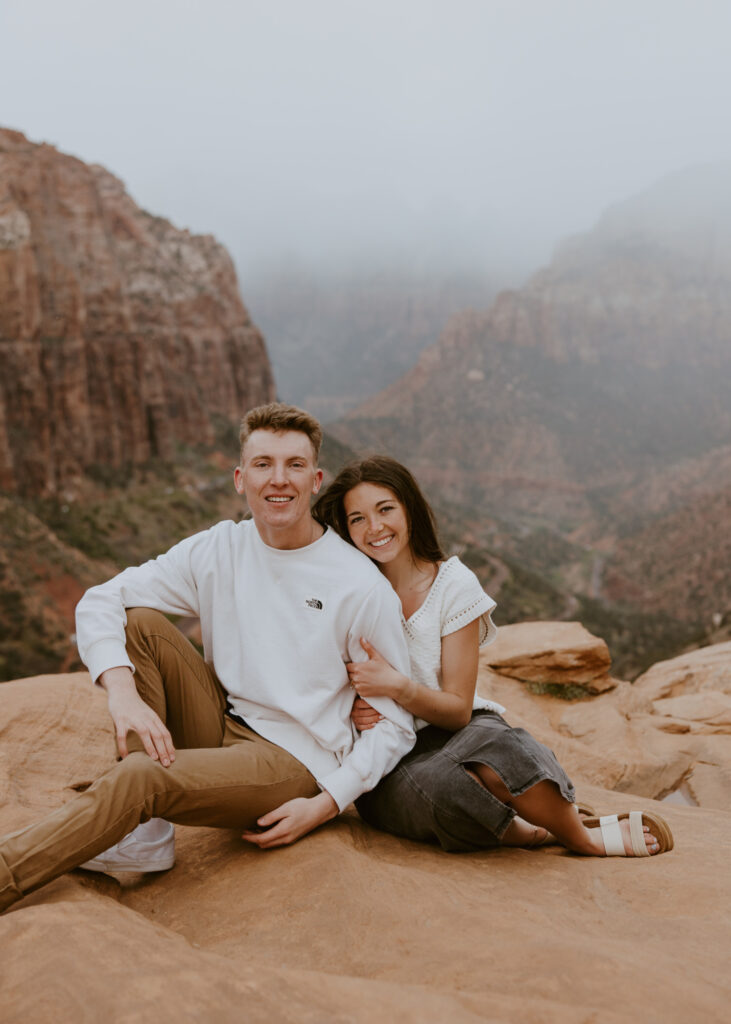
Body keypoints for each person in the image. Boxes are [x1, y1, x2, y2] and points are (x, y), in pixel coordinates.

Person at [0, 404, 417, 913]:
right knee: (138, 623)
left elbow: (396, 725)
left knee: (140, 777)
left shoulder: (358, 585)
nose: (278, 480)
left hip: (292, 759)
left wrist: (326, 803)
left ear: (316, 479)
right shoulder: (221, 547)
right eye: (263, 464)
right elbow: (102, 598)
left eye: (294, 465)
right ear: (241, 478)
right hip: (222, 721)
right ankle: (147, 836)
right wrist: (123, 693)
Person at [313, 455, 674, 858]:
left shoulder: (453, 585)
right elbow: (324, 678)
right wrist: (354, 709)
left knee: (504, 756)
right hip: (391, 755)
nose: (374, 527)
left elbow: (458, 712)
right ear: (345, 529)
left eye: (385, 509)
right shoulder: (350, 593)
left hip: (457, 729)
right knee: (446, 790)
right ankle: (530, 831)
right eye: (357, 518)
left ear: (410, 510)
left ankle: (578, 835)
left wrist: (396, 688)